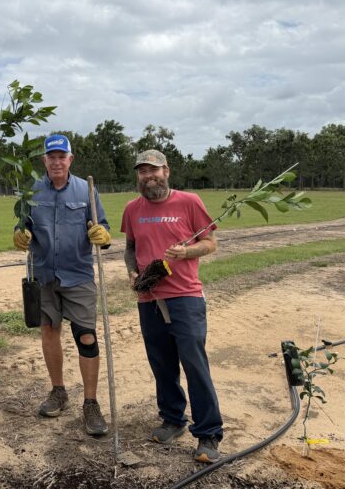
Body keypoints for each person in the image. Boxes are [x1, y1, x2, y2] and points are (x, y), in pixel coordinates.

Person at [120, 149, 224, 464]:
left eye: (153, 170)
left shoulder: (189, 201)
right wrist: (132, 272)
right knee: (162, 363)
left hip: (185, 297)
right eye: (142, 171)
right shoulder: (132, 208)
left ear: (166, 171)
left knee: (194, 364)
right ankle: (172, 419)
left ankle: (208, 433)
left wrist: (187, 253)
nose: (148, 176)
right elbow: (129, 248)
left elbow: (210, 243)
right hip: (149, 298)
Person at [12, 134, 112, 436]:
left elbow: (103, 226)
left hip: (78, 275)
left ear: (70, 159)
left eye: (61, 156)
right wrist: (20, 234)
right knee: (48, 333)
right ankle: (58, 391)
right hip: (43, 276)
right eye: (51, 156)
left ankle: (91, 403)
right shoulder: (31, 190)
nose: (56, 161)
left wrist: (102, 236)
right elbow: (23, 225)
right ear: (44, 160)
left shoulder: (87, 189)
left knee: (86, 338)